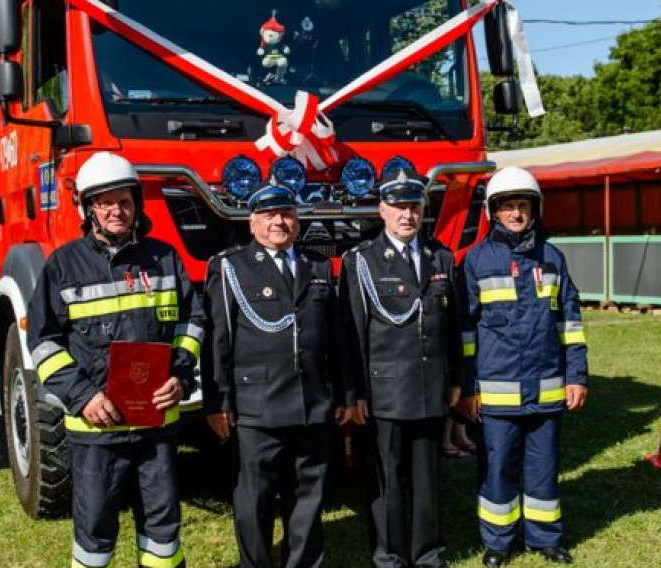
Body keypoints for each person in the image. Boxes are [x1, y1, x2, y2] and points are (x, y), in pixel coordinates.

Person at [26, 152, 202, 568]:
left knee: (163, 534)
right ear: (89, 209)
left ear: (136, 204)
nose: (116, 211)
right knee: (95, 535)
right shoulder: (63, 266)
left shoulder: (164, 258)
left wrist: (179, 375)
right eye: (105, 203)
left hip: (155, 429)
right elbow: (43, 343)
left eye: (123, 201)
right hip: (94, 428)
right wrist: (84, 396)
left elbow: (191, 322)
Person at [203, 179, 355, 568]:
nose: (279, 222)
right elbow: (218, 340)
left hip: (311, 403)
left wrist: (345, 395)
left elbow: (337, 338)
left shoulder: (317, 266)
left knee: (308, 497)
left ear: (298, 221)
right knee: (254, 500)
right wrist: (218, 402)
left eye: (286, 214)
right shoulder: (230, 267)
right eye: (269, 215)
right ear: (252, 223)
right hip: (258, 407)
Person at [459, 166, 588, 566]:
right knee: (497, 470)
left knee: (543, 471)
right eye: (508, 206)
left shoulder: (552, 258)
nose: (516, 213)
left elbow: (570, 322)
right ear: (493, 212)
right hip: (495, 397)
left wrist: (576, 377)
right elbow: (465, 334)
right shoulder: (476, 261)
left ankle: (545, 538)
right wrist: (468, 389)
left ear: (535, 210)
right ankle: (498, 544)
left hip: (548, 392)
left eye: (523, 205)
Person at [338, 171, 464, 568]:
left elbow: (454, 327)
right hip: (384, 392)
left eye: (414, 206)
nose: (406, 215)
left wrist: (457, 378)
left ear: (423, 210)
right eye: (398, 207)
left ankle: (428, 553)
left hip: (429, 385)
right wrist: (353, 392)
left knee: (426, 478)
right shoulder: (360, 261)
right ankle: (389, 554)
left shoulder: (440, 257)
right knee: (386, 479)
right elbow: (352, 334)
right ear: (382, 210)